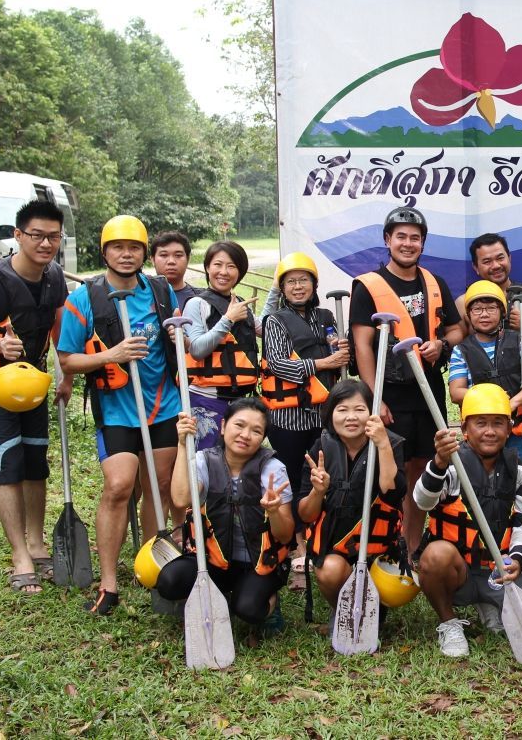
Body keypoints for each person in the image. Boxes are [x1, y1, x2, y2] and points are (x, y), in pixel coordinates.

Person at [58, 215, 181, 616]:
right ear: (105, 251)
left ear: (144, 253)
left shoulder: (161, 292)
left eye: (134, 248)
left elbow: (177, 339)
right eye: (118, 248)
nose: (126, 254)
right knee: (118, 486)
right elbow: (67, 360)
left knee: (161, 487)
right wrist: (110, 356)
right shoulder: (84, 298)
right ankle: (108, 584)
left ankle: (153, 568)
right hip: (116, 411)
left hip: (163, 405)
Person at [0, 199, 71, 594]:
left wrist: (66, 374)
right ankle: (20, 554)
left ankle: (38, 545)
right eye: (36, 235)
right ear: (18, 235)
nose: (45, 243)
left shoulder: (55, 277)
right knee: (9, 464)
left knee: (36, 464)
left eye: (53, 236)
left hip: (34, 381)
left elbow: (58, 332)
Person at [415, 384, 522, 657]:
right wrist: (438, 464)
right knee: (435, 555)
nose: (489, 431)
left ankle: (492, 604)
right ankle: (448, 622)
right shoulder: (449, 464)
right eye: (480, 423)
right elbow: (423, 501)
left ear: (509, 428)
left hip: (500, 569)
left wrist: (516, 560)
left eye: (497, 423)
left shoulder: (520, 471)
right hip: (460, 572)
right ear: (465, 428)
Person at [349, 205, 463, 555]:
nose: (408, 243)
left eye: (415, 238)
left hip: (427, 393)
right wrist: (373, 396)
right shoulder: (368, 286)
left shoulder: (435, 283)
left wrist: (441, 344)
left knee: (421, 469)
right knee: (388, 471)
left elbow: (457, 330)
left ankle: (411, 547)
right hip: (390, 395)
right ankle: (381, 545)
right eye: (401, 237)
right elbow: (363, 346)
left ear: (423, 243)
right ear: (388, 240)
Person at [447, 281, 522, 582]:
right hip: (486, 434)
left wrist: (509, 402)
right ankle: (492, 555)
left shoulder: (520, 339)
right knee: (488, 494)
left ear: (502, 312)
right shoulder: (462, 350)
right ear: (469, 316)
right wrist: (488, 402)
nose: (484, 314)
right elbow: (456, 391)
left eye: (490, 308)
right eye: (477, 309)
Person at [161, 399, 292, 631]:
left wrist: (273, 512)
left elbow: (284, 534)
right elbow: (181, 499)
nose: (245, 435)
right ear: (223, 426)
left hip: (258, 563)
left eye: (256, 431)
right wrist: (183, 445)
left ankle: (268, 601)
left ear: (262, 438)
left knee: (248, 609)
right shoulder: (203, 460)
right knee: (169, 582)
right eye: (239, 425)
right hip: (213, 559)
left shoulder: (273, 470)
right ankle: (216, 596)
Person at [260, 251, 350, 587]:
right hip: (289, 417)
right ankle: (297, 545)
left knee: (322, 476)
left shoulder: (327, 315)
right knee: (295, 476)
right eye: (291, 281)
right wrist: (325, 363)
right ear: (282, 287)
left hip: (324, 414)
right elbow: (279, 364)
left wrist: (342, 350)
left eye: (304, 280)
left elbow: (341, 357)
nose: (298, 287)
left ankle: (321, 537)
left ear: (314, 284)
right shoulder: (275, 321)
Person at [295, 379, 406, 613]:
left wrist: (384, 445)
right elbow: (305, 514)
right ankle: (343, 613)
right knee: (329, 569)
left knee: (380, 600)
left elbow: (393, 493)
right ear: (330, 414)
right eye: (342, 410)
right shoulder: (321, 447)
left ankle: (373, 608)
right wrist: (318, 491)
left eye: (359, 409)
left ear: (371, 413)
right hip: (338, 547)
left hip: (379, 551)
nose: (351, 417)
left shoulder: (389, 443)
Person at [180, 240, 260, 452]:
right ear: (207, 267)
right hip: (206, 400)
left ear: (240, 272)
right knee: (204, 465)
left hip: (240, 402)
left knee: (235, 464)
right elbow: (197, 349)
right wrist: (228, 319)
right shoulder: (196, 304)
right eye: (218, 264)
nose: (223, 272)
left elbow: (269, 327)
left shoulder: (240, 303)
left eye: (231, 266)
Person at [151, 230, 198, 310]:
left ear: (188, 259)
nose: (171, 261)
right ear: (152, 260)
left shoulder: (200, 299)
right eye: (164, 255)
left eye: (178, 255)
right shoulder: (141, 298)